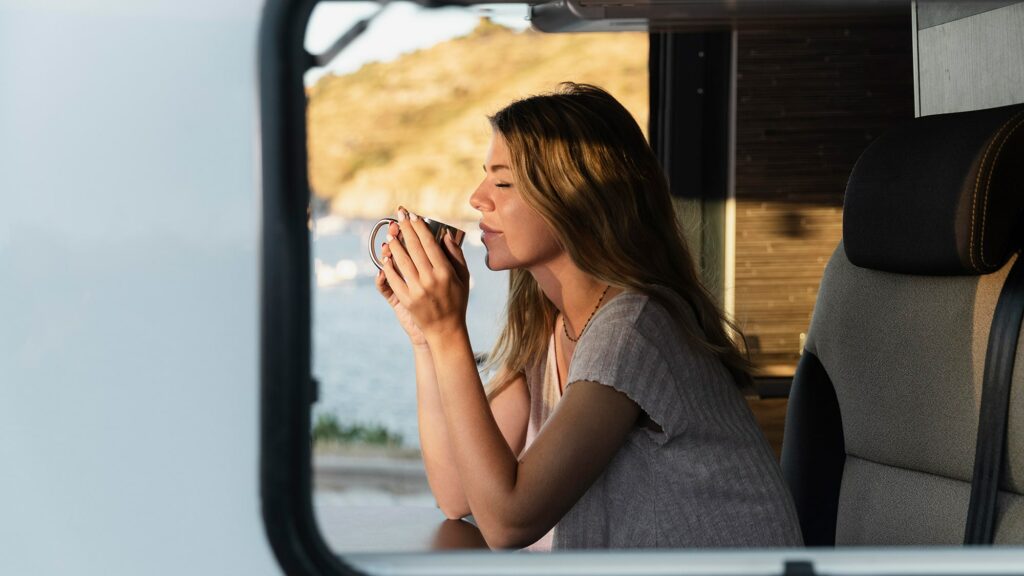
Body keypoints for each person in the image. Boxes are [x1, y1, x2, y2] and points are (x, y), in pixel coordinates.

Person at [374, 83, 803, 551]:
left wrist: (448, 331)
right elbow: (458, 494)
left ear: (575, 198)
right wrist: (426, 340)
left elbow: (507, 522)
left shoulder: (633, 331)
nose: (478, 198)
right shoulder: (551, 325)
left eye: (502, 182)